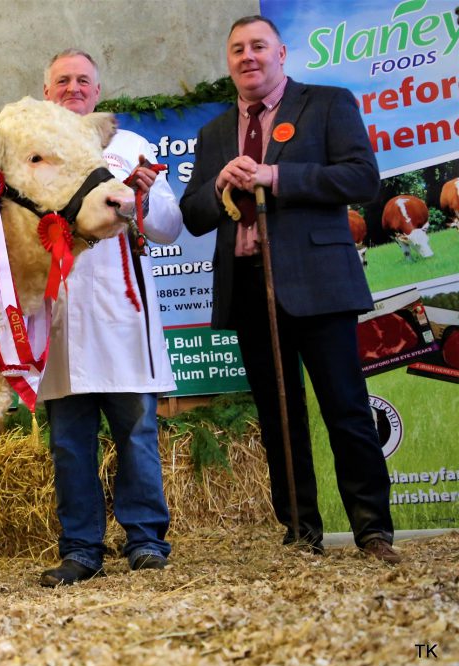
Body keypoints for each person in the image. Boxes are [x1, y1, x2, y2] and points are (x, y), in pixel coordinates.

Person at [179, 16, 400, 563]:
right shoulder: (212, 135)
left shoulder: (326, 104)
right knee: (279, 415)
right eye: (237, 49)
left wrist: (277, 178)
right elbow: (193, 215)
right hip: (250, 288)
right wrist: (218, 184)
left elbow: (361, 179)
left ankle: (373, 530)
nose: (248, 57)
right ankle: (301, 530)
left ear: (281, 53)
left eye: (259, 46)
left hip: (320, 285)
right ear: (228, 61)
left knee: (346, 409)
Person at [37, 49, 183, 587]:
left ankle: (145, 540)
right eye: (62, 81)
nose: (73, 88)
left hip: (123, 314)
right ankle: (81, 549)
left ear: (98, 90)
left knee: (138, 432)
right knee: (70, 444)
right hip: (60, 318)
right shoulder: (38, 151)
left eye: (83, 80)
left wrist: (144, 200)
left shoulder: (130, 148)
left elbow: (170, 227)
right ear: (47, 91)